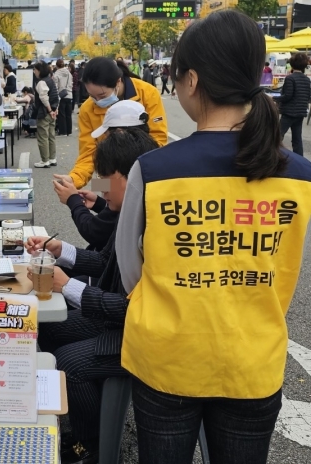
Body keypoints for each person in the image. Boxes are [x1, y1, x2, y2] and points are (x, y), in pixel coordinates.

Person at [116, 10, 311, 464]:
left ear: (192, 80)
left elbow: (130, 271)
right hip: (252, 359)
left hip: (167, 357)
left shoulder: (155, 170)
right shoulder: (299, 175)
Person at [26, 125, 159, 464]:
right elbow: (103, 261)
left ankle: (93, 445)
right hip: (121, 318)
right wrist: (59, 249)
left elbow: (133, 308)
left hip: (141, 332)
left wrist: (65, 284)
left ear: (132, 176)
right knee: (52, 328)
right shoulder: (131, 208)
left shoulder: (151, 221)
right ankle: (88, 405)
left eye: (105, 178)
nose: (99, 186)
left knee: (69, 363)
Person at [52, 100, 150, 252]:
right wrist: (97, 200)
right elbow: (108, 183)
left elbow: (95, 231)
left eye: (107, 135)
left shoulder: (126, 163)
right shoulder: (147, 155)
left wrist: (73, 200)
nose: (95, 99)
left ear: (119, 133)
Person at [68, 57, 168, 188]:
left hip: (143, 170)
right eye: (92, 96)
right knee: (105, 203)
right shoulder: (87, 109)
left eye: (102, 95)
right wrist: (74, 180)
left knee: (141, 206)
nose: (97, 101)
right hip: (106, 174)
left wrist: (130, 174)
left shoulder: (148, 93)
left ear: (118, 82)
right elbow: (88, 152)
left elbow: (158, 140)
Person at [273, 52, 310, 156]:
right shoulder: (307, 80)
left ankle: (272, 156)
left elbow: (287, 96)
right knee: (297, 139)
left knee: (277, 136)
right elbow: (308, 97)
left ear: (292, 64)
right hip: (300, 113)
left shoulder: (290, 78)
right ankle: (300, 159)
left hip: (289, 112)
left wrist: (274, 98)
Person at [32, 61, 59, 168]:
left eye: (35, 70)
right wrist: (55, 110)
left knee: (43, 136)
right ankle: (52, 158)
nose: (34, 72)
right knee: (51, 136)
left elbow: (44, 98)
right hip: (53, 111)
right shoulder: (51, 80)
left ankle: (45, 160)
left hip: (45, 112)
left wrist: (49, 110)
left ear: (39, 70)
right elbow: (56, 96)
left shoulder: (41, 82)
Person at [53, 59, 74, 136]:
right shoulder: (68, 73)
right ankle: (69, 131)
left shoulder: (56, 74)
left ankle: (63, 131)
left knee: (62, 114)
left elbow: (55, 86)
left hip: (61, 95)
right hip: (69, 94)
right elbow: (71, 83)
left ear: (56, 65)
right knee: (68, 114)